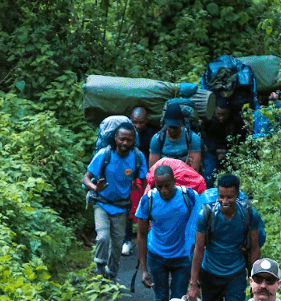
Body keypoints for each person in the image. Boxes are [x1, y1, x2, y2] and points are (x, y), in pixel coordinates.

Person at [186, 174, 261, 301]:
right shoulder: (207, 215)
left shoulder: (248, 214)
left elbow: (254, 247)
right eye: (221, 197)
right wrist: (194, 283)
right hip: (210, 272)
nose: (225, 201)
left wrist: (254, 278)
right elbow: (199, 249)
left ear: (237, 195)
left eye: (229, 197)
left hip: (236, 272)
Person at [137, 165, 200, 301]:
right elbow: (141, 234)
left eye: (167, 185)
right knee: (160, 298)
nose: (164, 190)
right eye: (160, 186)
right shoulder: (148, 200)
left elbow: (200, 227)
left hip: (182, 256)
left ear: (174, 181)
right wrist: (144, 268)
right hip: (157, 255)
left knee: (179, 299)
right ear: (155, 184)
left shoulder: (187, 197)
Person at [84, 123, 148, 282]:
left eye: (129, 140)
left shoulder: (137, 157)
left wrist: (145, 201)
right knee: (103, 237)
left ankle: (111, 277)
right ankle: (100, 273)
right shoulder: (104, 155)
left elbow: (145, 181)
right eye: (122, 139)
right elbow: (85, 178)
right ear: (115, 138)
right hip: (101, 203)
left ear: (134, 140)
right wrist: (94, 187)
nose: (125, 143)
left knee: (118, 246)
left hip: (121, 207)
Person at [122, 107, 157, 258]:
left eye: (141, 123)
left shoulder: (152, 134)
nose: (137, 126)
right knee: (128, 206)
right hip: (129, 174)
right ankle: (126, 239)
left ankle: (150, 240)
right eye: (134, 122)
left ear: (146, 121)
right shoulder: (124, 133)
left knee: (149, 204)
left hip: (146, 174)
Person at [200, 104, 247, 185]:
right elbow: (204, 137)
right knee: (209, 176)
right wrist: (215, 150)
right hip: (212, 151)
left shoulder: (235, 120)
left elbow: (242, 138)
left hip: (231, 151)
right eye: (219, 114)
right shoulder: (208, 119)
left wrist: (229, 151)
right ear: (214, 111)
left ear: (228, 112)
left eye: (224, 115)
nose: (221, 117)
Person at [148, 106, 202, 174]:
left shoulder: (192, 138)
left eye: (175, 127)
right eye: (170, 127)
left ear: (181, 125)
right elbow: (153, 169)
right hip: (163, 177)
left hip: (185, 174)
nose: (173, 130)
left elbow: (195, 169)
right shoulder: (157, 139)